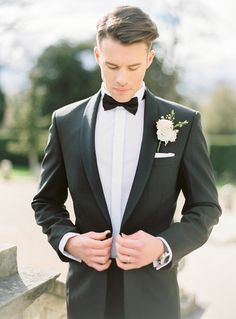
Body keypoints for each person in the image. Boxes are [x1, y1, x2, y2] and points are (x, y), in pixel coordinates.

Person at [32, 5, 221, 319]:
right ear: (97, 56)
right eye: (112, 65)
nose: (121, 79)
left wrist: (163, 245)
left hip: (154, 296)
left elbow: (206, 207)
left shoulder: (183, 123)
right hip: (87, 295)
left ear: (149, 59)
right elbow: (46, 202)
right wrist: (70, 241)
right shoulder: (65, 122)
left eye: (133, 67)